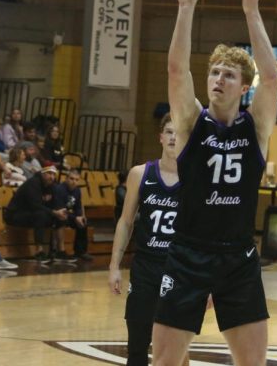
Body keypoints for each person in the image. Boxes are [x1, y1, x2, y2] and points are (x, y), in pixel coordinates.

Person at [152, 0, 277, 366]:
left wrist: (252, 12)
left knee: (252, 363)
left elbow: (271, 78)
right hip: (188, 254)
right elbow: (176, 71)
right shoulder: (191, 122)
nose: (218, 79)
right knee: (166, 362)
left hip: (238, 259)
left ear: (245, 87)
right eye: (214, 72)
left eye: (229, 74)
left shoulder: (255, 127)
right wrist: (186, 7)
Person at [109, 114, 184, 366]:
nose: (174, 137)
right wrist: (114, 267)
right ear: (160, 137)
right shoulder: (140, 173)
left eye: (180, 132)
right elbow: (126, 221)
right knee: (137, 346)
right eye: (170, 131)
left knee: (175, 350)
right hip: (145, 267)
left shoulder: (196, 179)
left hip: (180, 269)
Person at [4, 164, 67, 263]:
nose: (52, 177)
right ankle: (39, 251)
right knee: (41, 215)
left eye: (54, 174)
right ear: (43, 173)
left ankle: (60, 251)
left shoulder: (52, 186)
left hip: (31, 214)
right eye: (49, 173)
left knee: (60, 216)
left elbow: (55, 203)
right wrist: (54, 212)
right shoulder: (33, 183)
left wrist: (60, 211)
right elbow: (35, 206)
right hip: (15, 215)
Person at [52, 169, 90, 262]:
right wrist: (75, 217)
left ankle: (80, 251)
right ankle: (60, 251)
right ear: (66, 178)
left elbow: (78, 207)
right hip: (56, 214)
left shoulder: (77, 191)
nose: (74, 182)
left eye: (76, 180)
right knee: (61, 219)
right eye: (71, 179)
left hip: (70, 215)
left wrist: (80, 216)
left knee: (83, 222)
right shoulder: (59, 189)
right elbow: (59, 208)